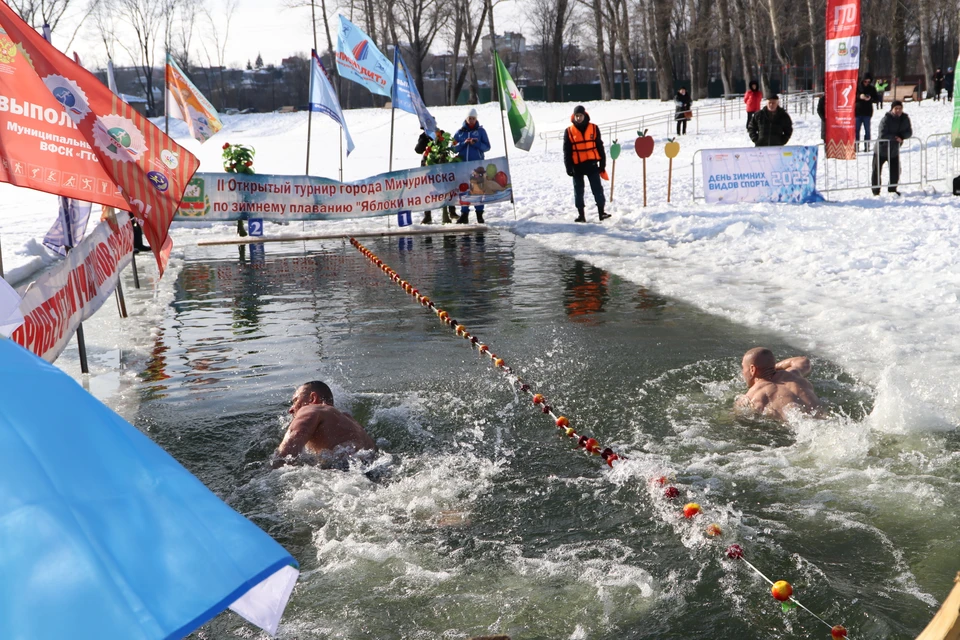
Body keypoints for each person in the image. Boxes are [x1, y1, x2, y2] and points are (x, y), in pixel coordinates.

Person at [273, 381, 376, 467]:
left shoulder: (311, 409)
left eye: (296, 401)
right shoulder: (352, 422)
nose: (291, 410)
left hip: (343, 470)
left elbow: (286, 453)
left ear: (312, 398)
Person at [735, 347, 819, 420]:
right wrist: (771, 367)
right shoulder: (794, 374)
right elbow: (803, 360)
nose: (743, 372)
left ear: (752, 369)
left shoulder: (751, 397)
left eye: (743, 367)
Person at [563, 105, 609, 223]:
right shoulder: (569, 131)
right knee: (578, 191)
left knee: (597, 188)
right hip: (577, 166)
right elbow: (567, 151)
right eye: (577, 116)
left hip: (591, 164)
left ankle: (601, 212)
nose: (579, 118)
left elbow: (599, 146)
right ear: (574, 116)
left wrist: (602, 163)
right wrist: (568, 167)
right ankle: (581, 215)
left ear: (585, 115)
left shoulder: (594, 128)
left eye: (580, 116)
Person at [453, 108, 491, 224]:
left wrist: (476, 144)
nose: (471, 121)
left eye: (474, 118)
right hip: (463, 165)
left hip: (477, 165)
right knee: (464, 189)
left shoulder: (481, 131)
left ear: (476, 119)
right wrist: (464, 143)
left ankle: (479, 214)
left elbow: (487, 147)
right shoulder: (460, 132)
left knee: (478, 189)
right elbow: (453, 148)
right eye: (470, 118)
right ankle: (464, 213)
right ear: (466, 119)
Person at [414, 128, 457, 224]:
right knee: (427, 190)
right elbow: (418, 150)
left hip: (442, 165)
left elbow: (447, 146)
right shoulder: (423, 136)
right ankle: (427, 215)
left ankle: (452, 212)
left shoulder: (441, 133)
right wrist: (424, 139)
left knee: (447, 188)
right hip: (428, 166)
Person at [872, 100, 912, 196]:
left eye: (900, 108)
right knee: (876, 170)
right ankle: (876, 191)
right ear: (892, 109)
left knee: (895, 171)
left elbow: (909, 132)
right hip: (881, 149)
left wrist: (902, 137)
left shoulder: (905, 118)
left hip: (894, 150)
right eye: (896, 108)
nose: (898, 110)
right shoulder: (886, 119)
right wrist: (895, 138)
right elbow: (882, 134)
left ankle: (892, 189)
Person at [855, 75, 877, 151]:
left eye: (868, 81)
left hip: (867, 112)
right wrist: (859, 96)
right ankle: (856, 146)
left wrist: (870, 98)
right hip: (857, 112)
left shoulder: (872, 88)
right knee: (856, 130)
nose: (867, 83)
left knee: (867, 130)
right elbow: (852, 97)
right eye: (865, 81)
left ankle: (867, 146)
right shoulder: (857, 87)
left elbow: (876, 98)